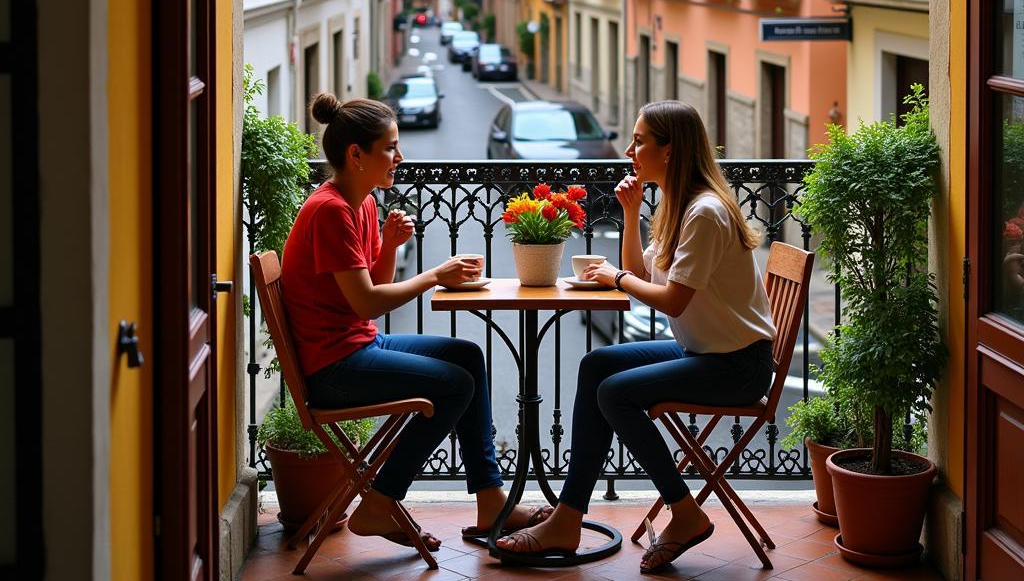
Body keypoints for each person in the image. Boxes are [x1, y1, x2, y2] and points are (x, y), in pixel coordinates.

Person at [497, 100, 776, 574]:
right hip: (708, 351)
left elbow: (670, 300)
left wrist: (617, 281)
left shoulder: (705, 213)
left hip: (738, 365)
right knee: (597, 365)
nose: (629, 150)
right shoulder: (681, 204)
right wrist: (631, 213)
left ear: (670, 151)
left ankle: (685, 514)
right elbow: (640, 269)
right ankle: (568, 516)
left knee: (616, 393)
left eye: (640, 140)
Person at [281, 92, 549, 552]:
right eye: (390, 148)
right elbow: (367, 303)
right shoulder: (330, 210)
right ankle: (380, 502)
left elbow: (370, 295)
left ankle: (489, 500)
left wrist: (387, 244)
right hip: (334, 369)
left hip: (357, 345)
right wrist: (433, 276)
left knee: (466, 357)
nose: (399, 157)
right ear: (355, 154)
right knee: (455, 384)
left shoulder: (360, 203)